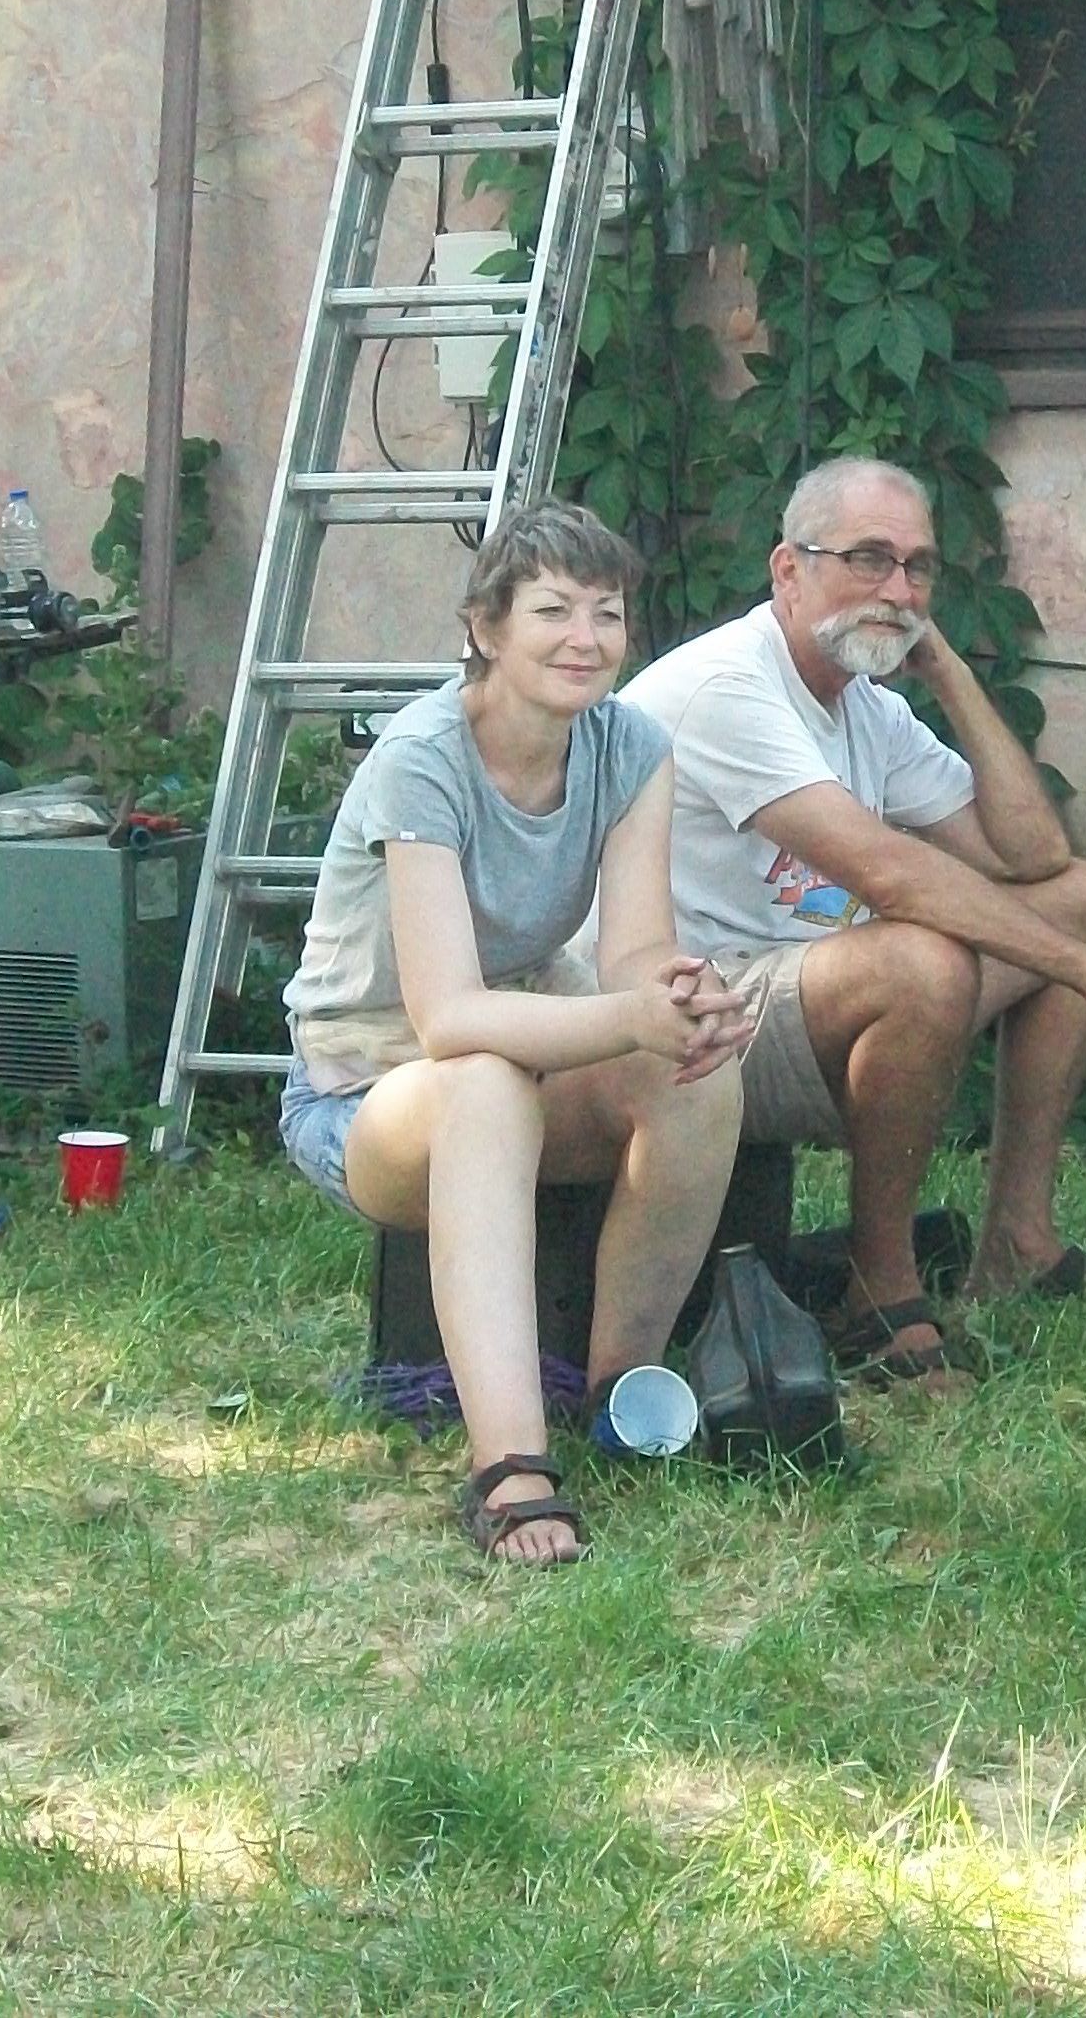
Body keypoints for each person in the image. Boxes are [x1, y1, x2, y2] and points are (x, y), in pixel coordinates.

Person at [619, 456, 1086, 1392]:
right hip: (678, 1022)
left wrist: (949, 673)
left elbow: (1032, 856)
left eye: (918, 568)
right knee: (921, 963)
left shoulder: (866, 708)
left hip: (797, 993)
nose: (899, 590)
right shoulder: (727, 685)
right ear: (788, 570)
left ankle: (1018, 1241)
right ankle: (878, 1292)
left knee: (1083, 902)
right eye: (869, 559)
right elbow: (887, 873)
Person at [281, 500, 752, 1564]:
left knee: (692, 1072)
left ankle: (621, 1395)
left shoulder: (631, 746)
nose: (585, 638)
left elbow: (635, 955)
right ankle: (510, 1468)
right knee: (486, 1077)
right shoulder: (422, 757)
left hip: (522, 1065)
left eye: (607, 613)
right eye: (553, 611)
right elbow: (447, 1016)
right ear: (485, 629)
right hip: (370, 1092)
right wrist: (626, 1017)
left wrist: (677, 998)